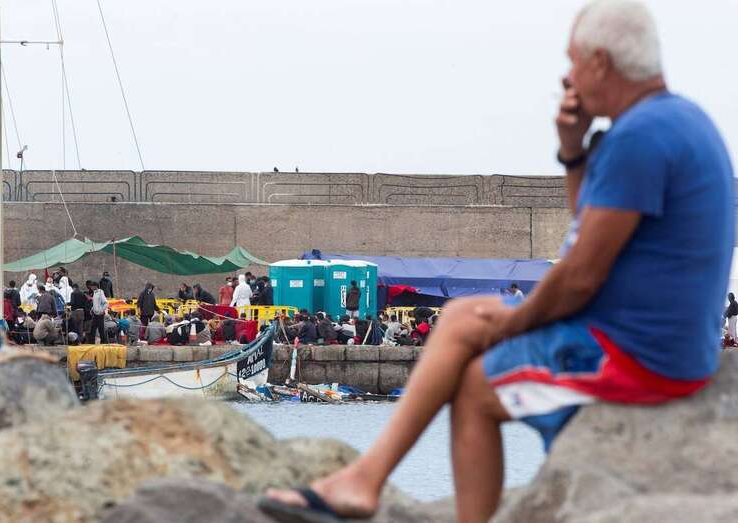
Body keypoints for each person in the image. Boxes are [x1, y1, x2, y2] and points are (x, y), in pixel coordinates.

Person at [260, 2, 735, 521]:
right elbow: (589, 232)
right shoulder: (678, 120)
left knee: (475, 388)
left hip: (640, 359)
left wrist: (517, 323)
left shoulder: (639, 138)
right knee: (464, 317)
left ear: (601, 61)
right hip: (661, 342)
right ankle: (363, 480)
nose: (567, 76)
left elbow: (579, 276)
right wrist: (573, 152)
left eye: (572, 61)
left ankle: (370, 483)